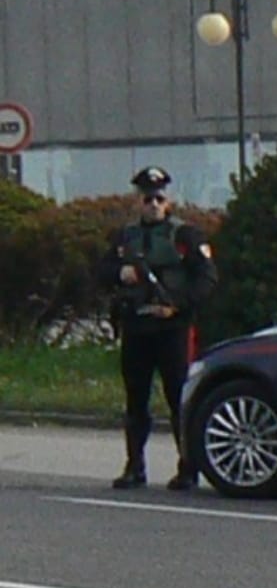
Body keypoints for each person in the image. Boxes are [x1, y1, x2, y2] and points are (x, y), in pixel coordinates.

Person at [97, 167, 219, 491]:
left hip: (172, 328)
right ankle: (134, 466)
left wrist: (177, 303)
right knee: (135, 400)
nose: (153, 204)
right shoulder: (125, 237)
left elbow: (206, 278)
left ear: (169, 200)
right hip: (137, 327)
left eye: (159, 198)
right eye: (147, 198)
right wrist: (120, 274)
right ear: (138, 201)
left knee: (179, 397)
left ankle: (188, 467)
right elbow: (102, 270)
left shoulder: (185, 236)